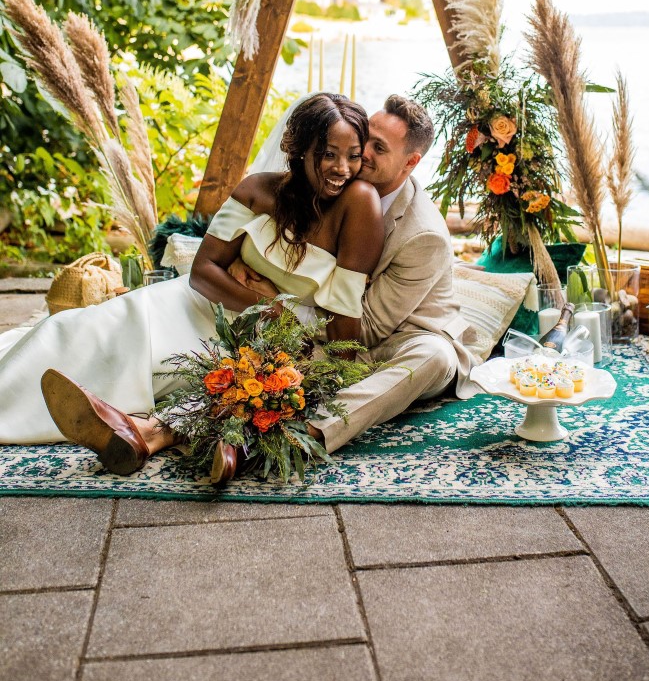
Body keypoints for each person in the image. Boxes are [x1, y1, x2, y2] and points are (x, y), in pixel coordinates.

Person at [0, 94, 384, 481]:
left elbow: (344, 306)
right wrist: (268, 305)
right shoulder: (257, 190)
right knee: (84, 327)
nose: (342, 168)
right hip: (201, 301)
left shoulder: (359, 203)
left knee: (178, 374)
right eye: (329, 154)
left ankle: (122, 426)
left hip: (267, 336)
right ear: (301, 150)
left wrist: (328, 363)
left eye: (353, 155)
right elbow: (203, 271)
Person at [231, 95, 481, 453]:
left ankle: (310, 434)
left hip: (402, 339)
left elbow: (366, 332)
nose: (361, 153)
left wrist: (278, 301)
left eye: (378, 148)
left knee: (435, 356)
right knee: (254, 348)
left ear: (410, 163)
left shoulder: (424, 235)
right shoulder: (338, 181)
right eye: (366, 138)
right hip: (333, 331)